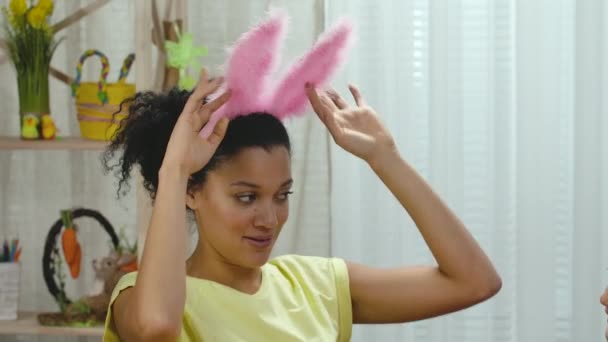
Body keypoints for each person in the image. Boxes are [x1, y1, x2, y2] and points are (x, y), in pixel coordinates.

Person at [102, 12, 501, 342]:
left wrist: (386, 158)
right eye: (246, 197)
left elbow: (475, 281)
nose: (269, 219)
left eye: (282, 195)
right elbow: (157, 328)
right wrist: (174, 169)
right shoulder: (139, 299)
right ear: (192, 191)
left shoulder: (314, 286)